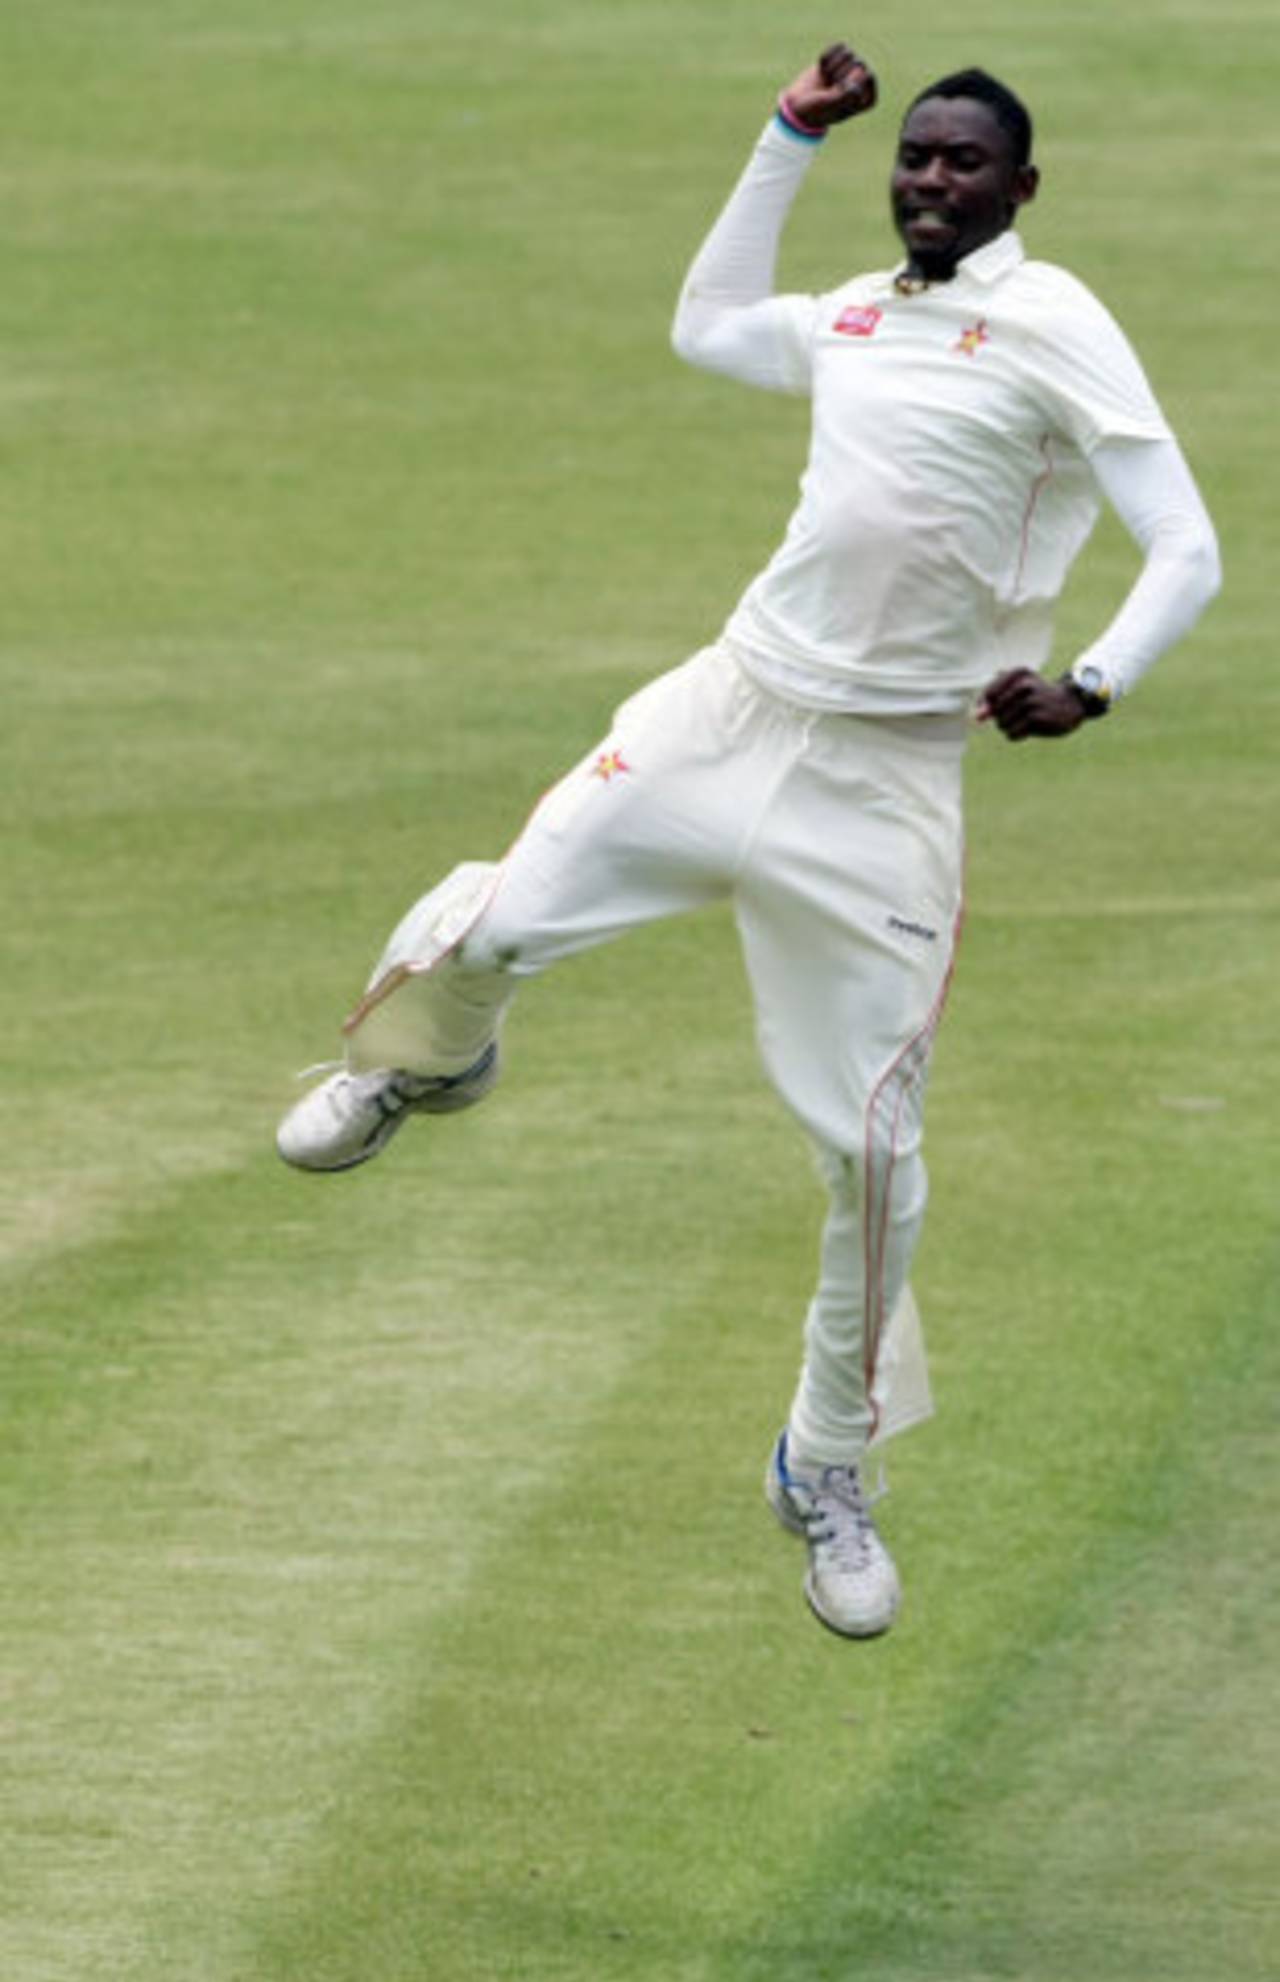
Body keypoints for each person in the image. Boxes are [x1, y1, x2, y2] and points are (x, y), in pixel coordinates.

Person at [276, 45, 1220, 1640]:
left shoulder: (1056, 323)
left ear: (1022, 189)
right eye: (915, 157)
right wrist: (786, 135)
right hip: (730, 708)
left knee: (871, 1155)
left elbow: (1184, 540)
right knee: (494, 925)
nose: (930, 180)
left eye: (964, 163)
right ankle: (428, 1061)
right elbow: (708, 326)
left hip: (888, 783)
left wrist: (1095, 683)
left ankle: (825, 1465)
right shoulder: (853, 313)